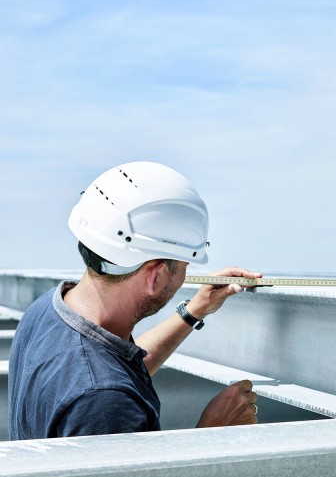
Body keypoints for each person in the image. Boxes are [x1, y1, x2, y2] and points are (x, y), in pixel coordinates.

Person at [9, 161, 262, 440]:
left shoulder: (48, 309)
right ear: (155, 275)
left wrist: (193, 311)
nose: (183, 278)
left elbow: (113, 367)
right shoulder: (104, 403)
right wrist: (211, 432)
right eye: (184, 266)